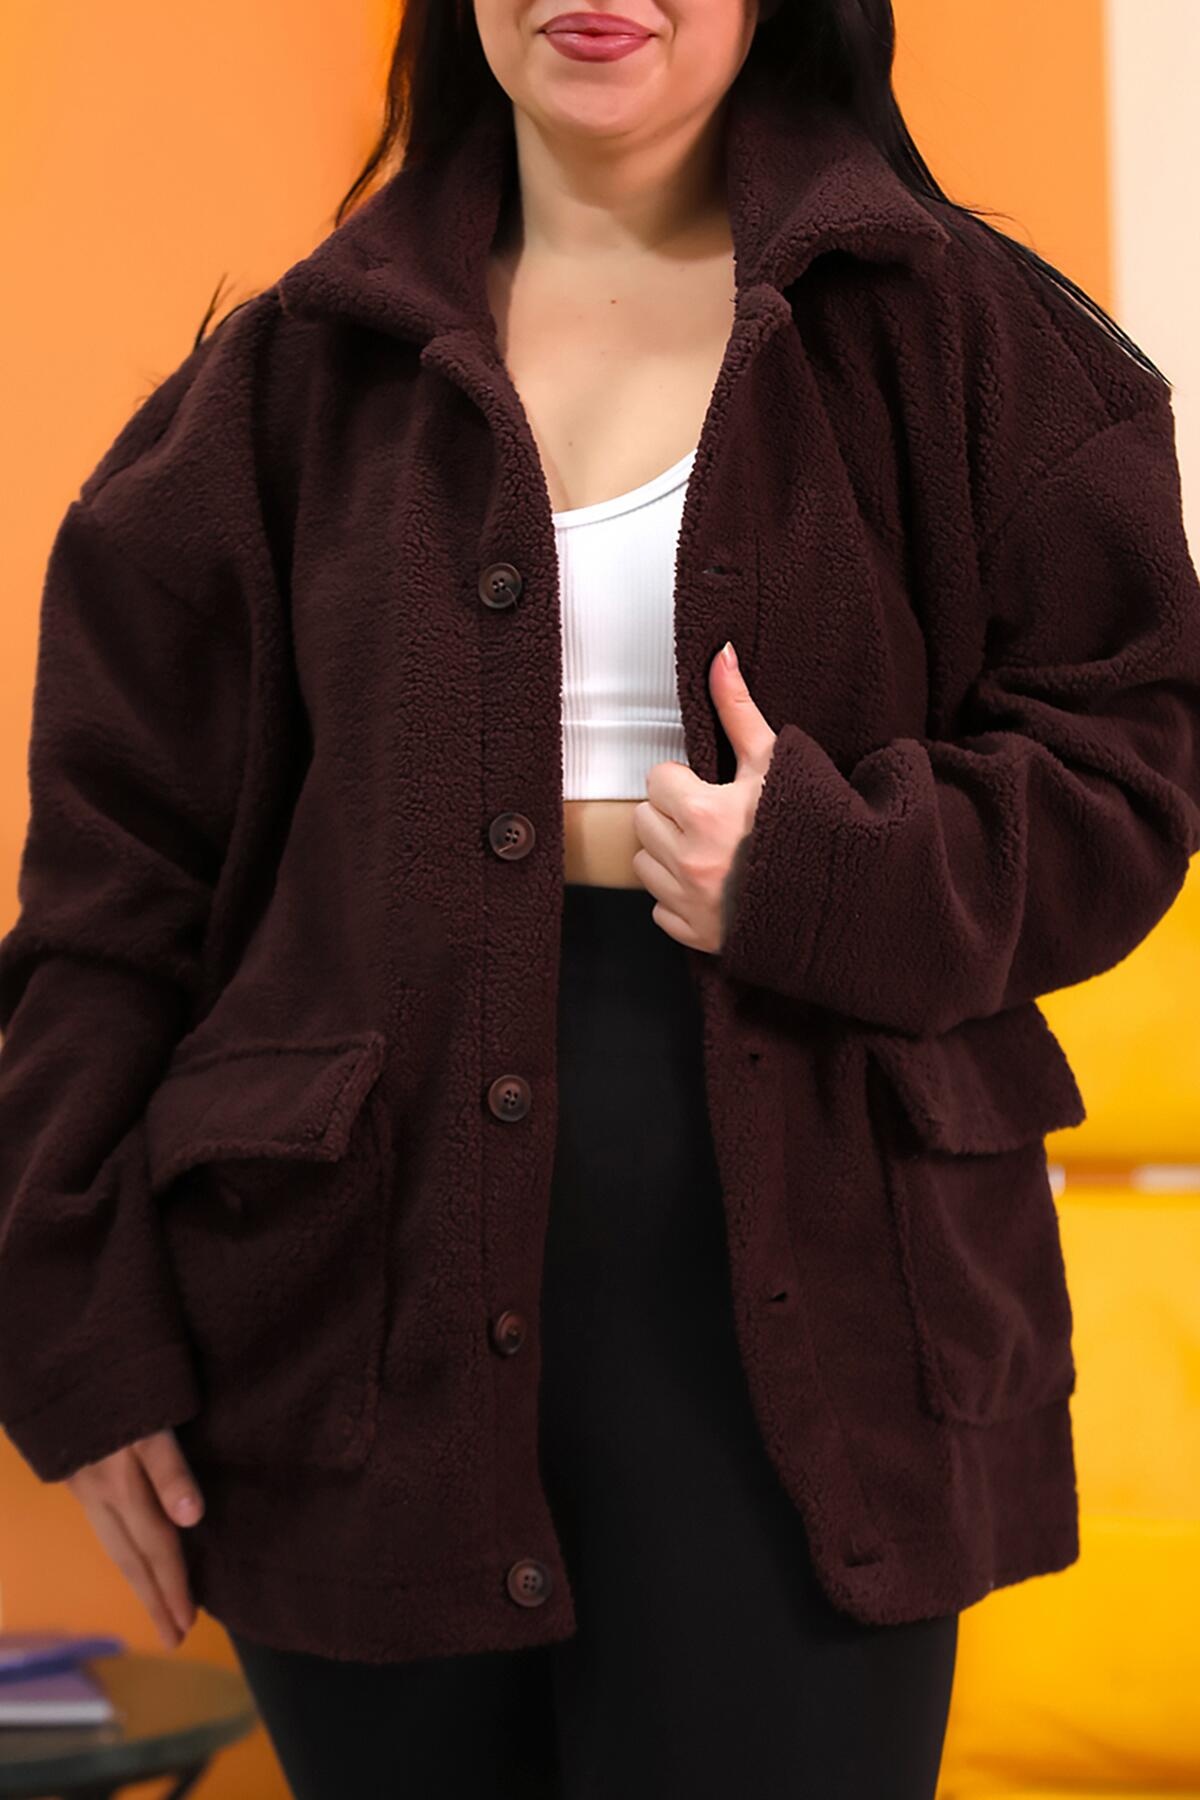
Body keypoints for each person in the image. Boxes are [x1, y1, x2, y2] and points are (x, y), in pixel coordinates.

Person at [3, 2, 1199, 1796]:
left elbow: (1132, 763)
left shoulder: (973, 338)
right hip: (339, 1341)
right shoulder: (274, 390)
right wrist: (77, 1330)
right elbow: (110, 899)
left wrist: (830, 871)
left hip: (828, 1319)